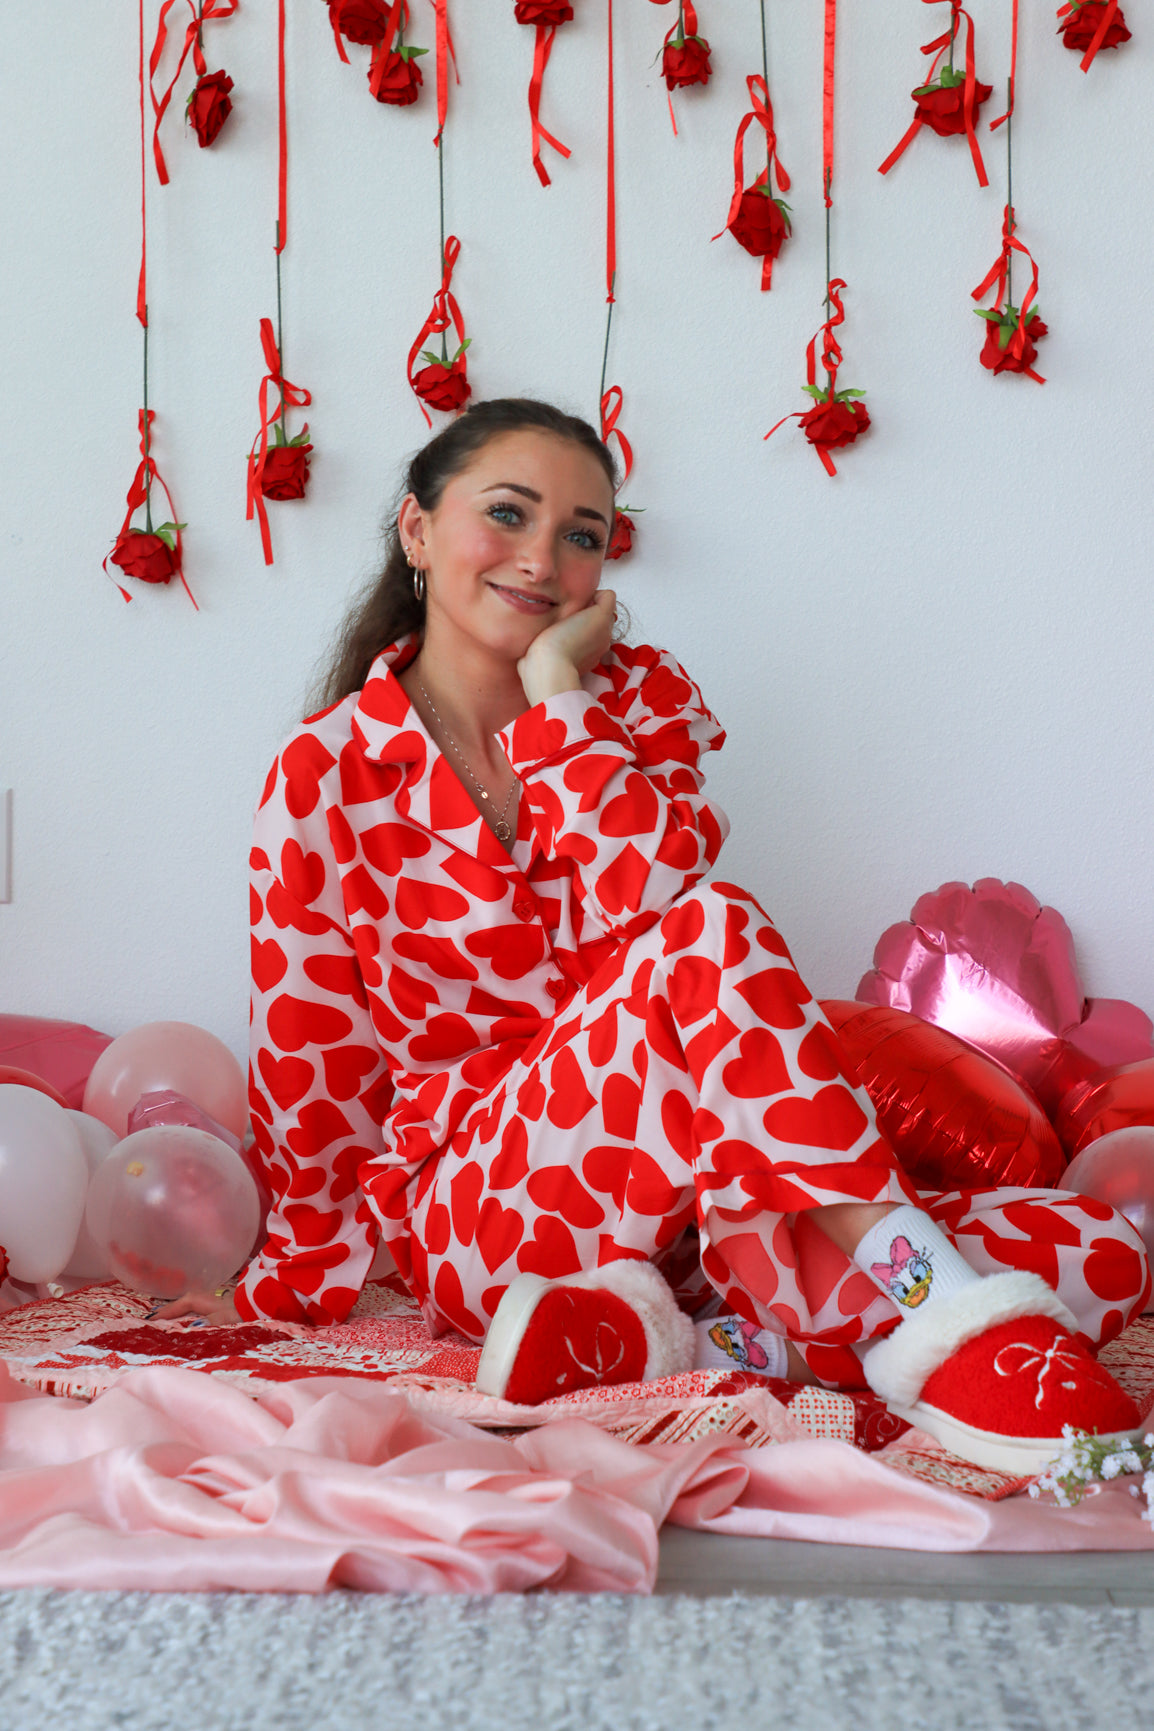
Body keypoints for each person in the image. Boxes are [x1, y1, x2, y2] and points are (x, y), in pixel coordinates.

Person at [168, 398, 1149, 1472]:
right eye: (507, 514)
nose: (541, 559)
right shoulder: (324, 770)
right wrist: (305, 1272)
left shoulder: (637, 709)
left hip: (693, 1210)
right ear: (415, 531)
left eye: (581, 534)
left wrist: (560, 706)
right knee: (715, 922)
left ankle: (677, 1337)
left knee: (1103, 1252)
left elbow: (647, 904)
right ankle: (938, 1305)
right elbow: (314, 1053)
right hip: (488, 1207)